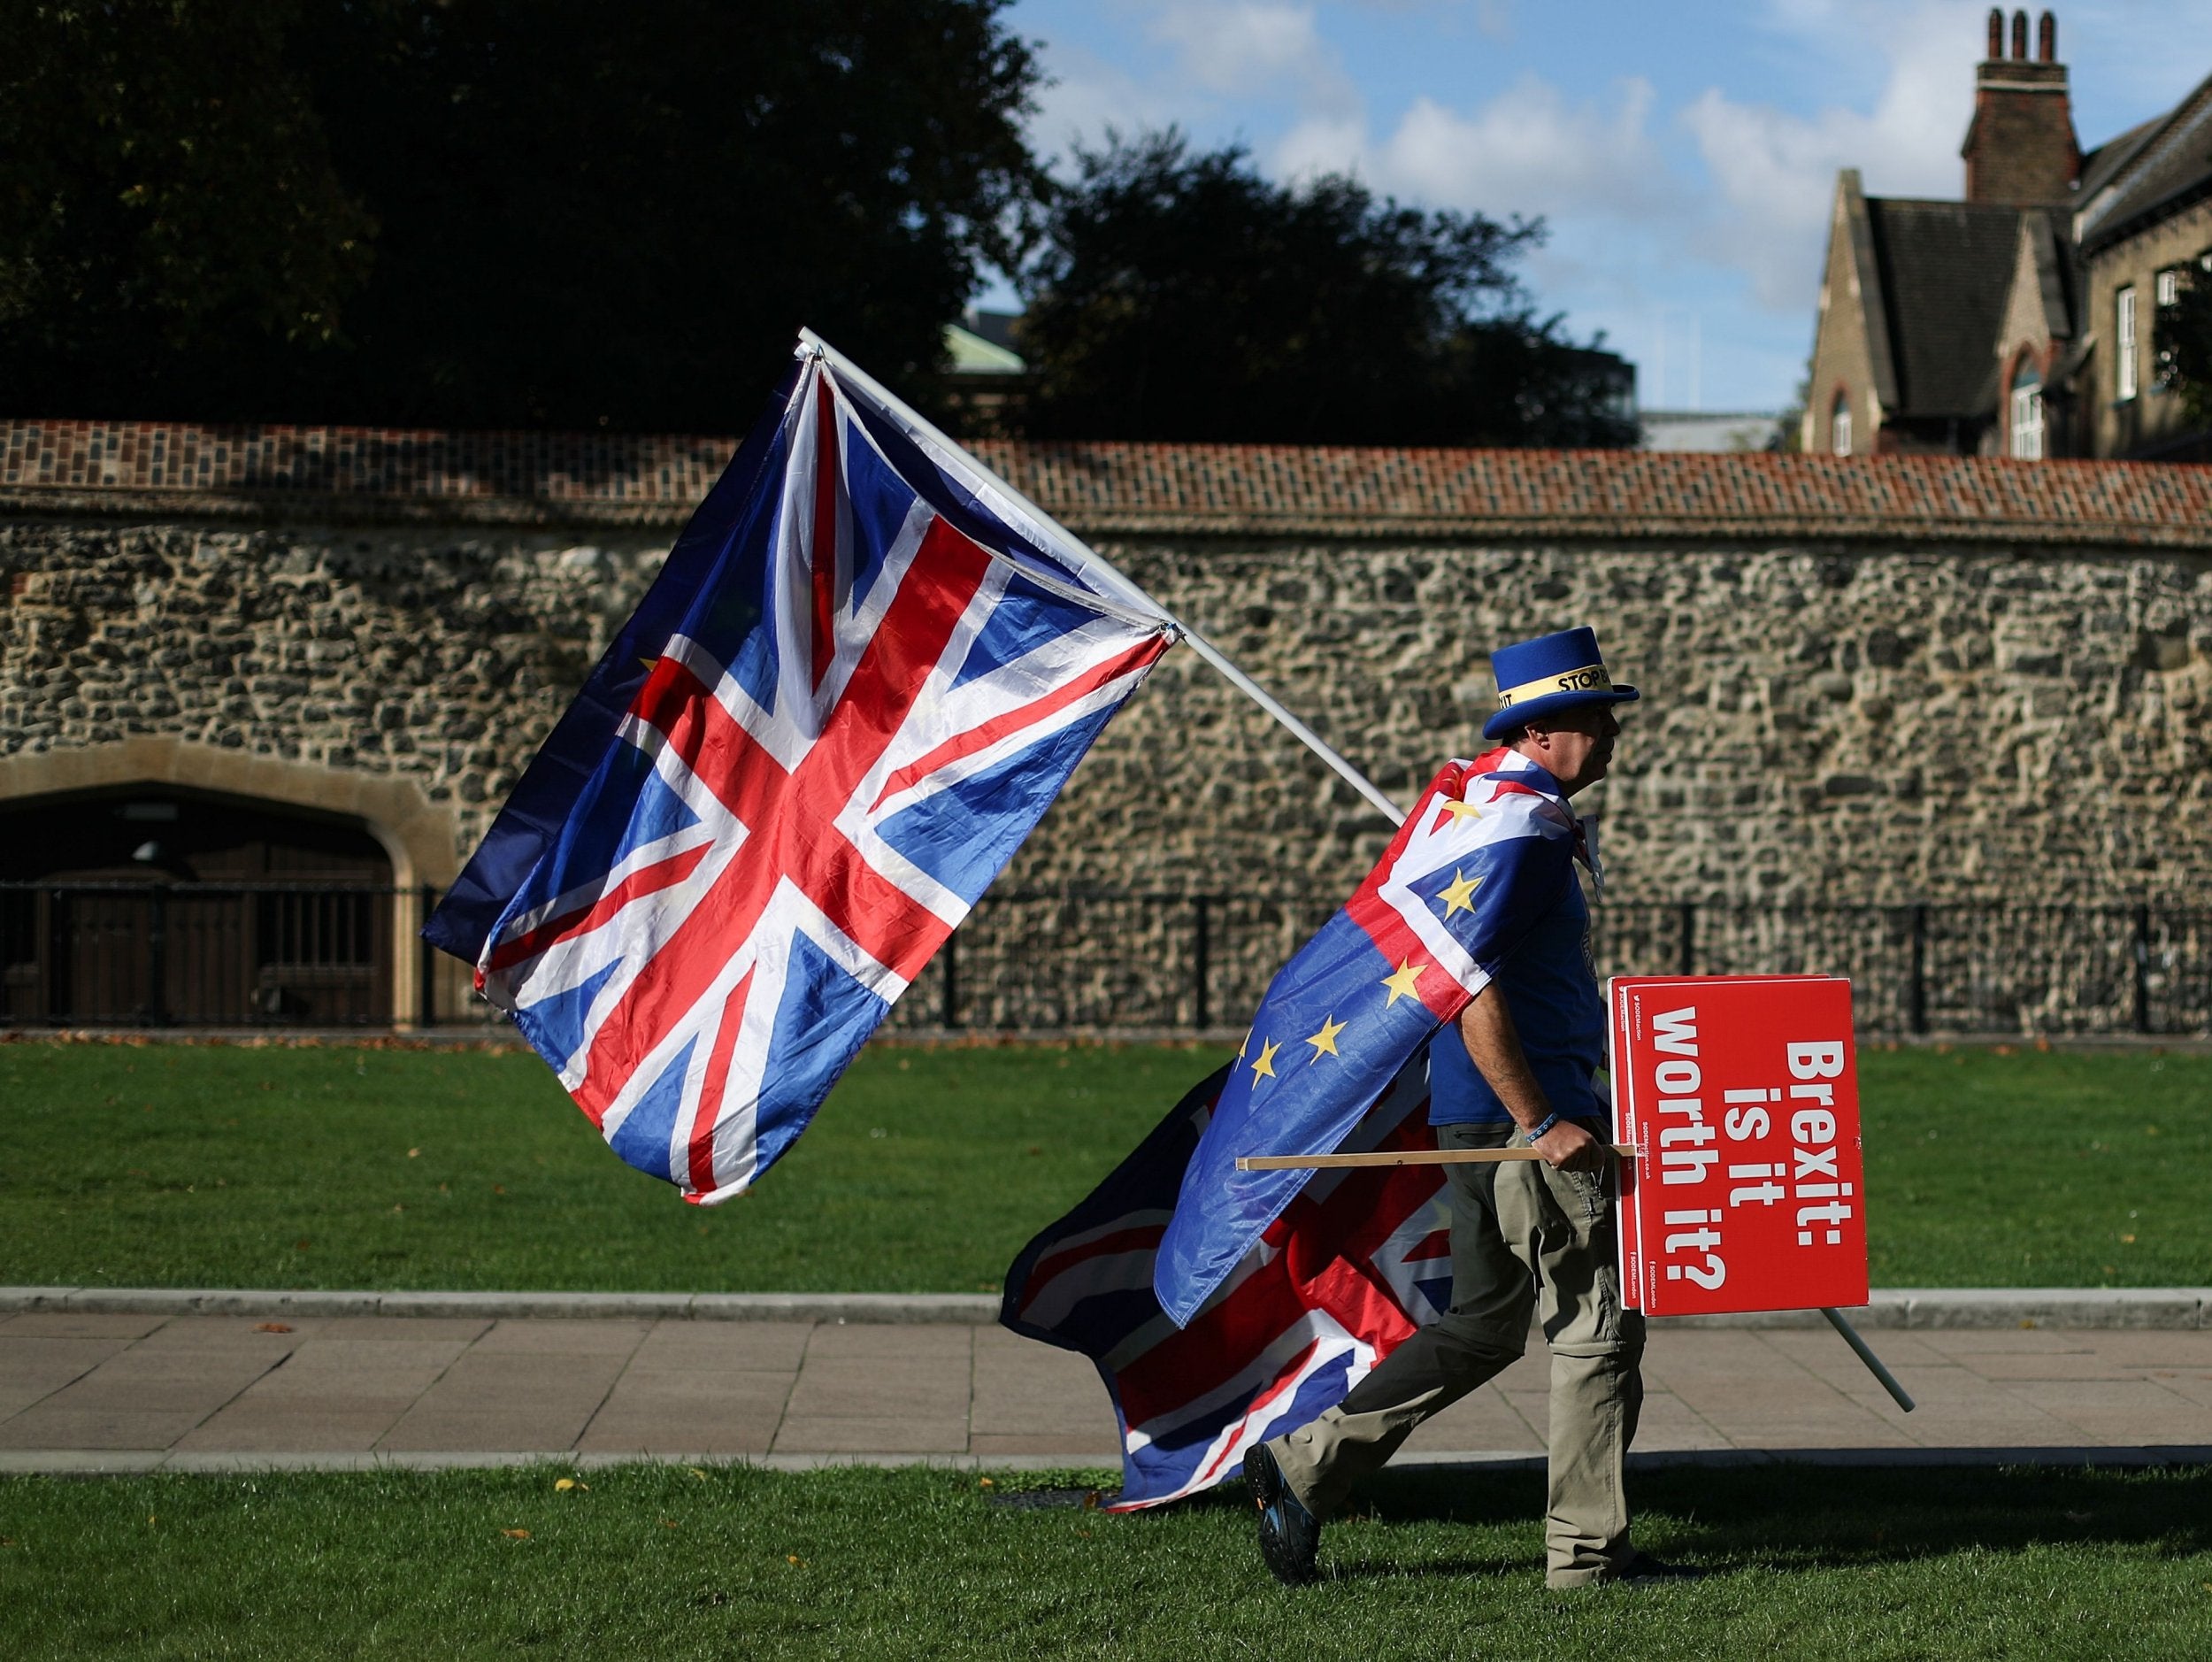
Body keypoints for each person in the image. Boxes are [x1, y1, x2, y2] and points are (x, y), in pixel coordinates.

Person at [1243, 626, 1701, 1589]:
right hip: (1524, 1130)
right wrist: (1543, 1122)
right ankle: (1586, 1555)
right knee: (1595, 1327)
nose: (1611, 738)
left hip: (1474, 1119)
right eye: (1594, 719)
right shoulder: (1519, 834)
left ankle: (1301, 1464)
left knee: (1485, 1326)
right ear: (1542, 731)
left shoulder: (1488, 814)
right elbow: (1467, 982)